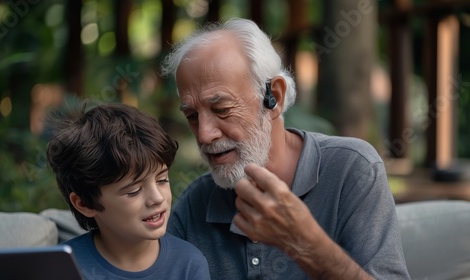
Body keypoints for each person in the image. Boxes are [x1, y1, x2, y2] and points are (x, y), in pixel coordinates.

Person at [161, 18, 410, 279]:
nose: (204, 134)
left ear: (274, 98)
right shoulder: (196, 203)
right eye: (191, 116)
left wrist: (303, 243)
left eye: (222, 109)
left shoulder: (351, 169)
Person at [46, 103, 210, 280]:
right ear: (84, 203)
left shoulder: (188, 265)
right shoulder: (62, 268)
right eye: (134, 191)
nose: (157, 198)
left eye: (162, 180)